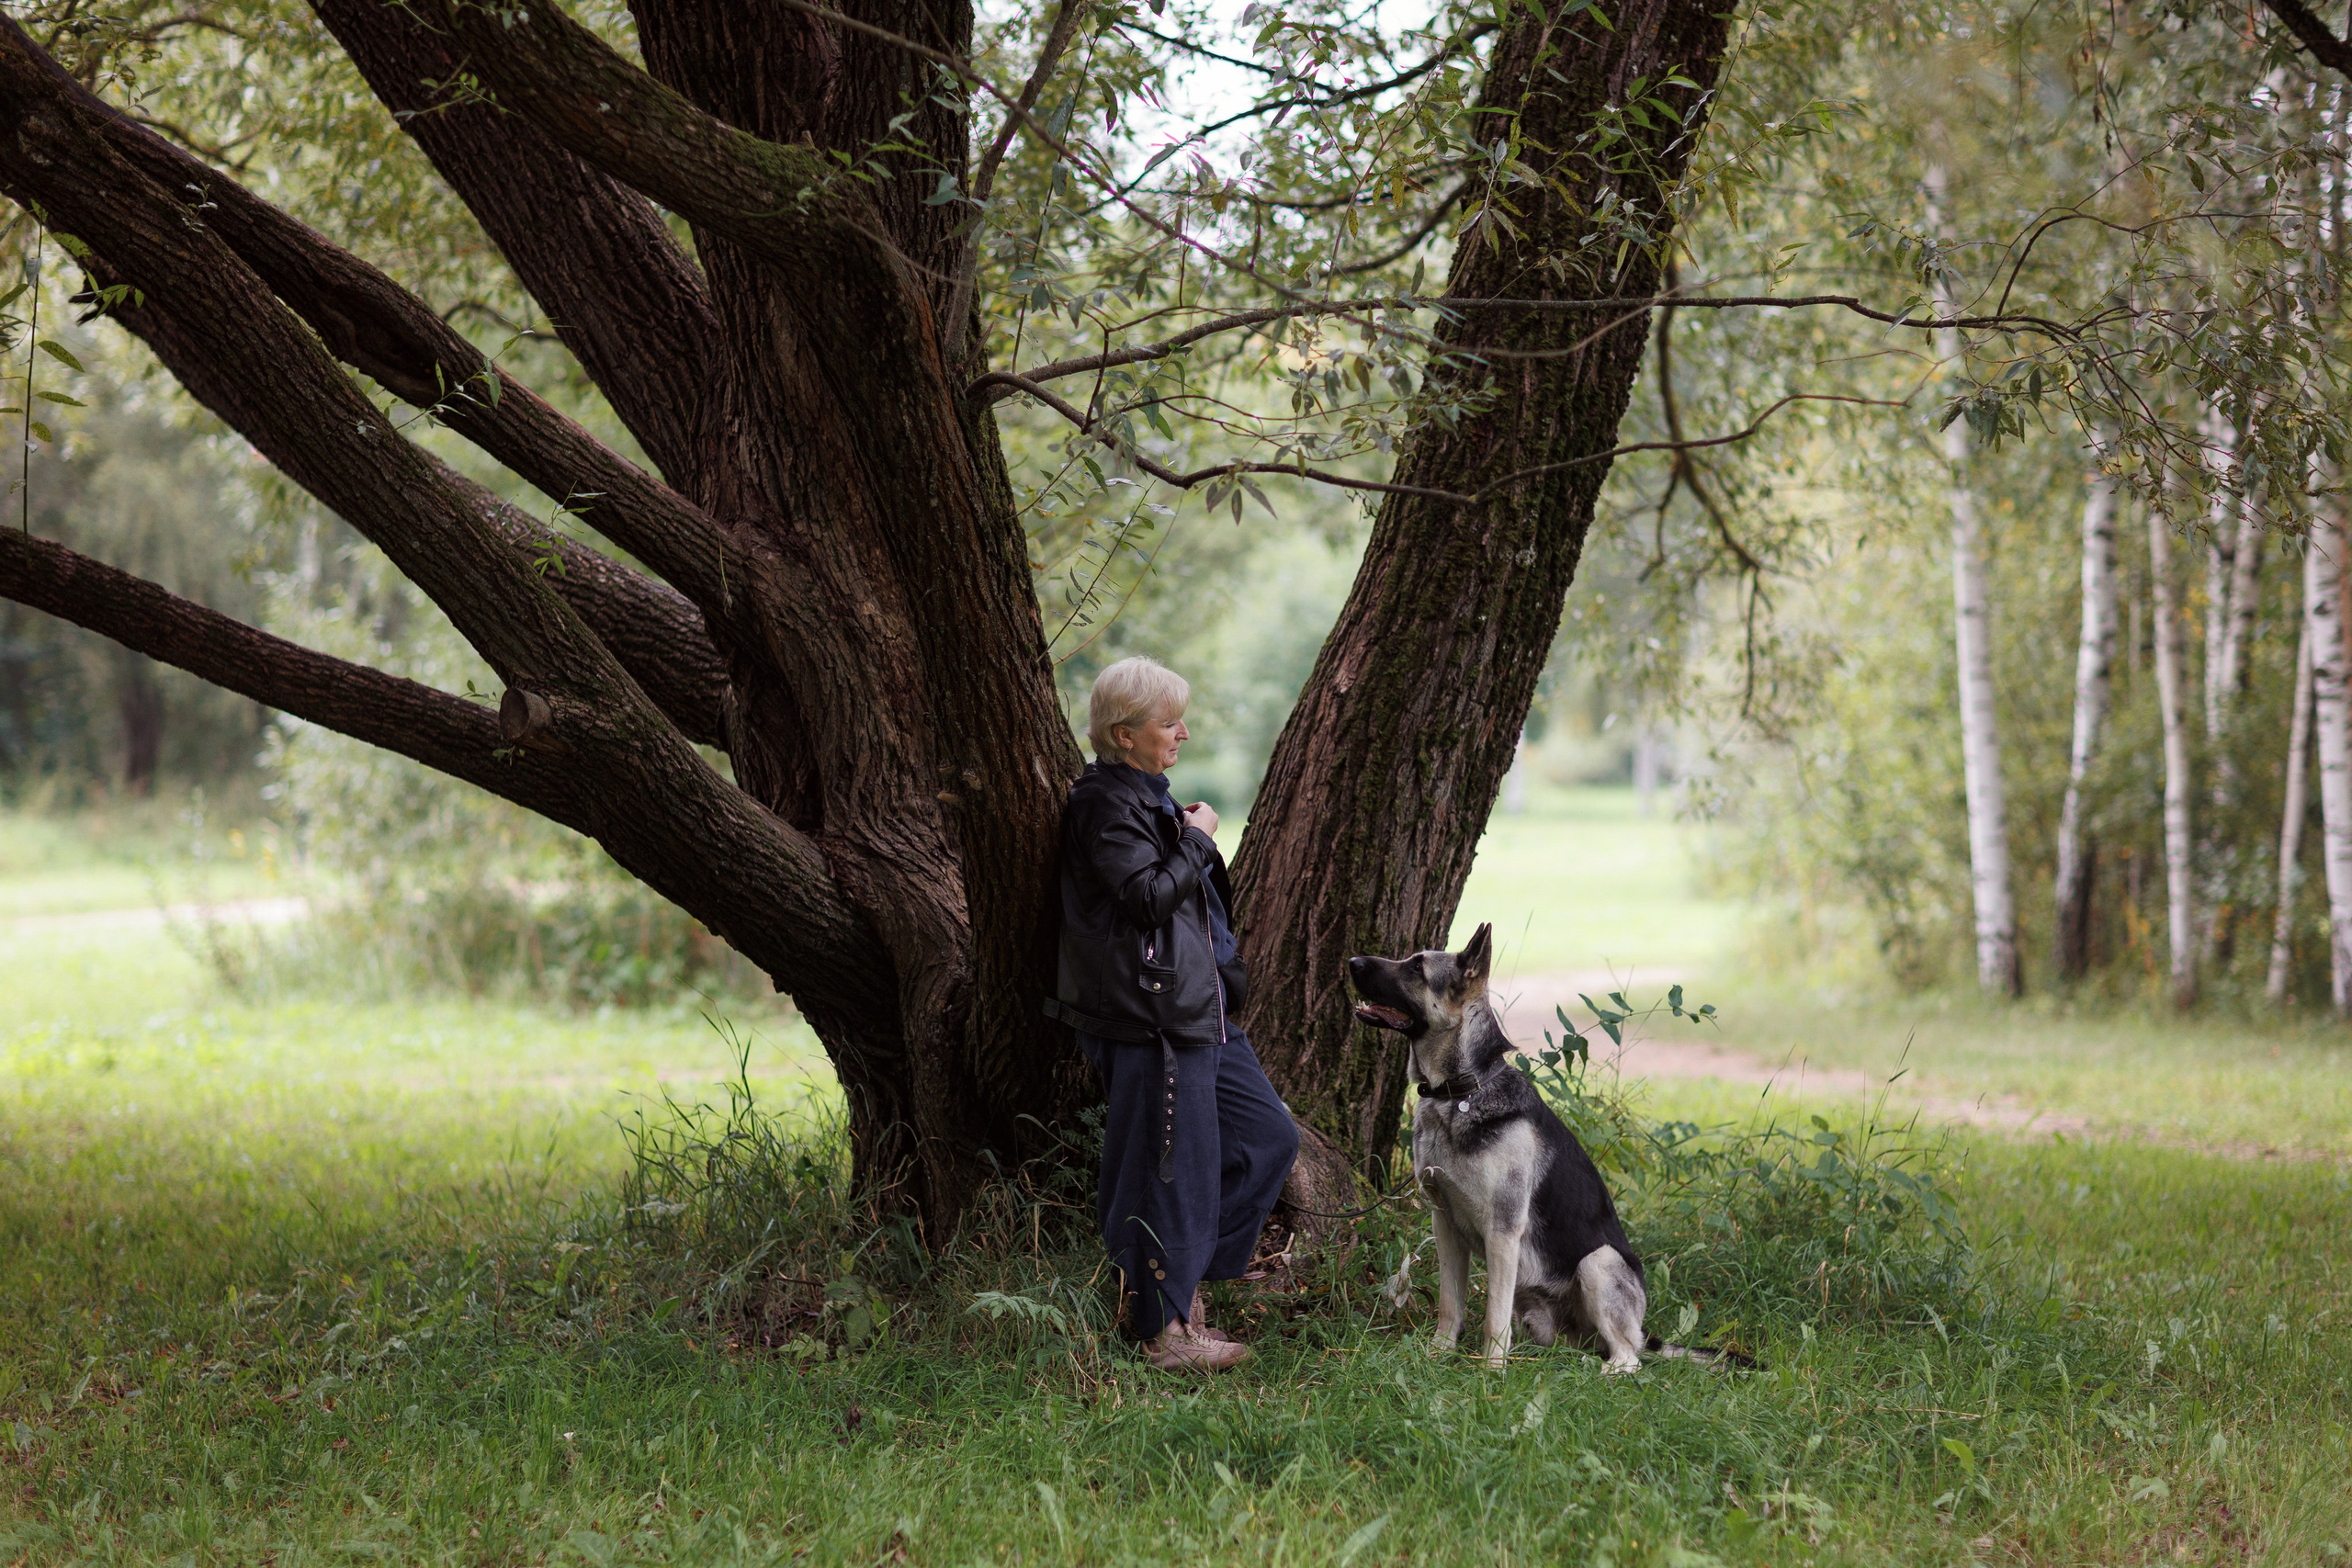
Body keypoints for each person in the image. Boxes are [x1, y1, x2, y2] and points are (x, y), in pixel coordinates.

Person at [1045, 656, 1299, 1372]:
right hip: (1151, 1020)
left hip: (1201, 1014)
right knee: (1170, 1170)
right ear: (1123, 735)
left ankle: (1180, 1286)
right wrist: (1198, 837)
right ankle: (1165, 1331)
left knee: (1268, 1138)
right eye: (1168, 722)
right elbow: (1146, 896)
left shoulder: (1145, 796)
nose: (1182, 732)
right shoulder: (1102, 801)